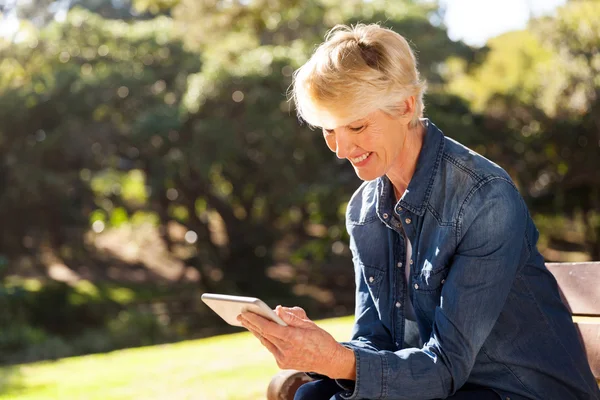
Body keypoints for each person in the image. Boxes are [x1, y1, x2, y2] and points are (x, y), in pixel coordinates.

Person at [237, 24, 600, 400]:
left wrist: (335, 360)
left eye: (357, 125)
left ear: (406, 105)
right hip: (446, 386)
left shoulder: (484, 197)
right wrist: (317, 350)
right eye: (329, 130)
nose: (341, 149)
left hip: (516, 391)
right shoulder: (364, 210)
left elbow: (446, 366)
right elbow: (375, 340)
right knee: (310, 395)